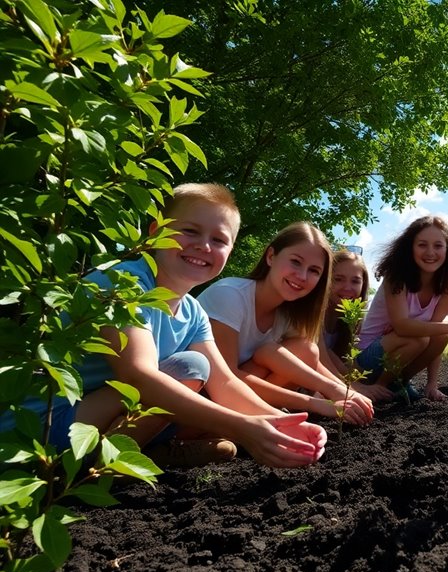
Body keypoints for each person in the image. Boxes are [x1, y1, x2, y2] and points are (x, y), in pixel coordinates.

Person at [0, 184, 326, 468]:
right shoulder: (122, 283)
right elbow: (137, 375)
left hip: (93, 420)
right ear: (156, 230)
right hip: (38, 429)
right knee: (190, 368)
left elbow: (224, 381)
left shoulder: (193, 311)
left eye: (219, 240)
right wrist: (243, 427)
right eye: (190, 231)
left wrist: (280, 422)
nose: (204, 246)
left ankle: (134, 455)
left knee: (196, 374)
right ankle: (96, 472)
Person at [197, 223, 375, 422]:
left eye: (314, 271)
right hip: (202, 395)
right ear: (271, 256)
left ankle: (264, 418)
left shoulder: (289, 311)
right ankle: (258, 421)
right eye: (296, 262)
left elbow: (310, 361)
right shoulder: (230, 295)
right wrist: (317, 403)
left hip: (238, 393)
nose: (302, 276)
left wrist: (344, 391)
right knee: (277, 353)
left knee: (305, 349)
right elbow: (226, 378)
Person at [356, 216, 448, 402]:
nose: (430, 252)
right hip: (367, 361)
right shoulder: (396, 278)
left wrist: (431, 385)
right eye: (422, 245)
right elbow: (403, 326)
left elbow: (437, 333)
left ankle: (398, 383)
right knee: (420, 337)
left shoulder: (445, 285)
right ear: (410, 247)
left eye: (438, 246)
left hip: (398, 359)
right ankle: (378, 389)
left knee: (439, 334)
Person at [322, 249, 370, 376]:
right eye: (338, 279)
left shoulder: (355, 317)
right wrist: (354, 386)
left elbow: (348, 360)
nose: (347, 287)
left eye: (355, 281)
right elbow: (323, 354)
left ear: (363, 284)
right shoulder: (315, 312)